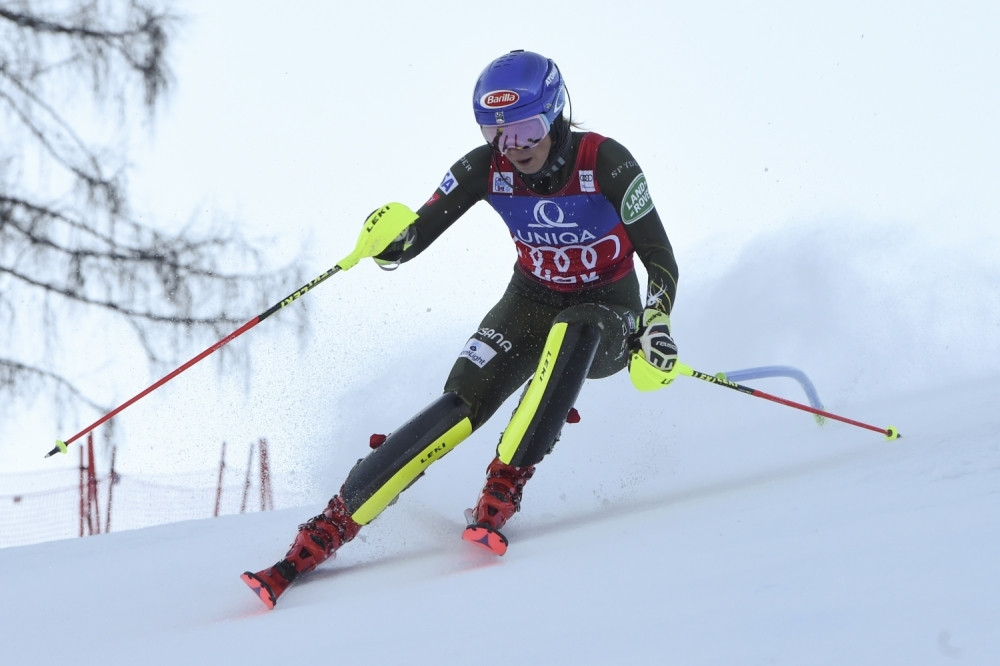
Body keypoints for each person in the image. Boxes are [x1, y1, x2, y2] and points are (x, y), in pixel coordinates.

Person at [242, 49, 680, 609]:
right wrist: (390, 244)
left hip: (608, 313)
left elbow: (660, 258)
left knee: (574, 327)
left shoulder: (606, 160)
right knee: (460, 405)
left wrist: (657, 320)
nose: (514, 147)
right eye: (496, 132)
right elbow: (418, 232)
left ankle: (503, 486)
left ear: (557, 116)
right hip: (530, 299)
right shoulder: (484, 167)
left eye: (526, 128)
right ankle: (323, 532)